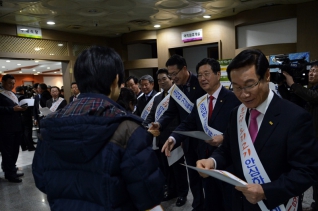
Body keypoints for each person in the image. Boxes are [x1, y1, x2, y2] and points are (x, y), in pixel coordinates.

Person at [32, 46, 165, 211]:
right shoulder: (127, 129)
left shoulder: (51, 124)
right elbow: (148, 192)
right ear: (116, 80)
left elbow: (41, 179)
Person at [196, 49, 318, 211]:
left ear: (267, 76)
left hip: (277, 204)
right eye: (237, 87)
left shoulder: (294, 117)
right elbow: (227, 150)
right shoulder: (236, 114)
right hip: (240, 203)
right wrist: (212, 161)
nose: (244, 94)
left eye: (249, 85)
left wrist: (266, 191)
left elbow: (307, 171)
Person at [162, 58, 241, 210]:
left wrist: (224, 138)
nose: (202, 79)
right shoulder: (200, 101)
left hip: (227, 164)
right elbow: (188, 123)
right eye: (199, 75)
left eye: (207, 74)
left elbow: (242, 128)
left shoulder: (233, 99)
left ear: (218, 74)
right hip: (204, 163)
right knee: (211, 202)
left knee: (229, 204)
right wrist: (173, 137)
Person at [149, 54, 206, 210]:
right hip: (187, 139)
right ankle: (198, 205)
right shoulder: (176, 90)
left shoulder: (200, 83)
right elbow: (170, 112)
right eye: (170, 75)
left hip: (204, 138)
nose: (173, 78)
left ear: (185, 69)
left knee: (207, 176)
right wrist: (159, 124)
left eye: (175, 74)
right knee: (193, 176)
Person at [144, 68, 189, 207]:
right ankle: (171, 191)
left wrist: (181, 138)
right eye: (159, 80)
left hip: (175, 138)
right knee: (166, 169)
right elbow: (152, 115)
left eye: (164, 79)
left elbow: (184, 118)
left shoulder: (178, 95)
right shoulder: (157, 97)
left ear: (170, 79)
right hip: (160, 139)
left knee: (178, 169)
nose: (162, 82)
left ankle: (182, 194)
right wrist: (147, 125)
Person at [283, 61, 318, 211]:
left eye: (316, 71)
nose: (311, 73)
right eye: (311, 70)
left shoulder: (311, 93)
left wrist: (293, 85)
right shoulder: (309, 90)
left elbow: (313, 97)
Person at [0, 75, 26, 183]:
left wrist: (21, 108)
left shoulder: (13, 94)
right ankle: (10, 174)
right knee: (8, 152)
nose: (12, 85)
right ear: (3, 82)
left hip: (16, 126)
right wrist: (11, 109)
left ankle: (11, 169)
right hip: (6, 127)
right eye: (10, 83)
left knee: (15, 150)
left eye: (13, 83)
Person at [15, 86, 36, 151]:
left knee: (21, 132)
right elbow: (30, 107)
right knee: (28, 131)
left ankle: (23, 146)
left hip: (18, 117)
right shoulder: (24, 97)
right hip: (26, 116)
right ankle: (30, 146)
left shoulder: (14, 97)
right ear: (22, 90)